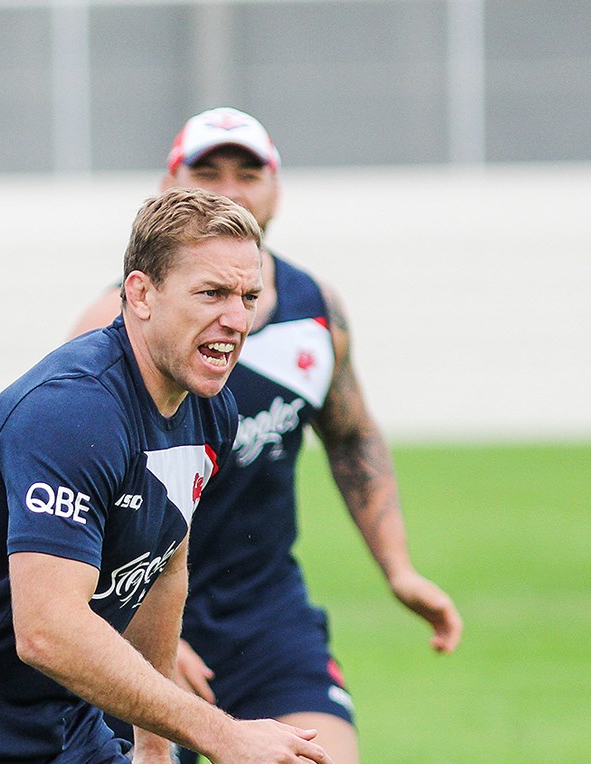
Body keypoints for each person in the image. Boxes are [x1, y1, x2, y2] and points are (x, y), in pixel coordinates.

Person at [0, 187, 331, 764]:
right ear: (140, 294)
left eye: (248, 296)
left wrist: (154, 747)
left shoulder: (210, 407)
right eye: (211, 293)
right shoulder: (74, 410)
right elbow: (47, 632)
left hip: (67, 729)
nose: (236, 320)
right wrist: (222, 733)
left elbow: (162, 571)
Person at [69, 107, 463, 764]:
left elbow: (351, 435)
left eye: (247, 172)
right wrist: (143, 637)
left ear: (276, 189)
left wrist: (399, 569)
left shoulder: (316, 311)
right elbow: (73, 490)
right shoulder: (111, 325)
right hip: (138, 619)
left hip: (267, 619)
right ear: (168, 185)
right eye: (207, 170)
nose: (229, 187)